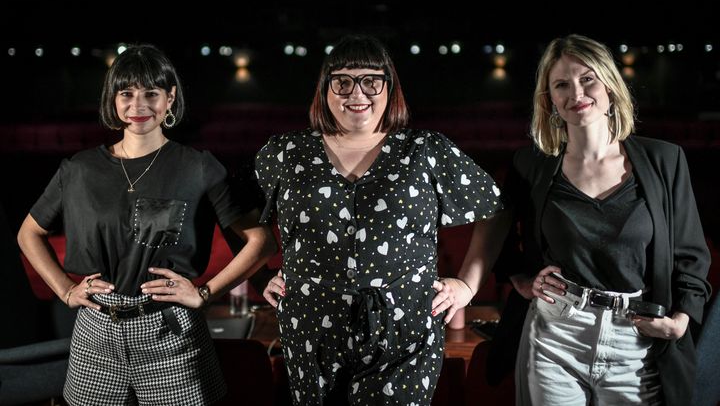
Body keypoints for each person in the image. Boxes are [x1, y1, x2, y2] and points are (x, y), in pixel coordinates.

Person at [16, 44, 277, 405]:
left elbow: (260, 241)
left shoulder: (197, 167)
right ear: (113, 99)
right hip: (96, 332)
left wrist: (204, 293)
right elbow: (28, 232)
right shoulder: (78, 169)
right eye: (127, 94)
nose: (138, 106)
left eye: (151, 93)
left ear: (170, 98)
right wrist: (65, 290)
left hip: (170, 332)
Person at [256, 34, 505, 405]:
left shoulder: (426, 150)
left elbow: (494, 210)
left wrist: (468, 286)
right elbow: (240, 217)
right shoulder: (285, 153)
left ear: (390, 88)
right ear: (325, 90)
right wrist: (266, 274)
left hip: (404, 329)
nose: (357, 93)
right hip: (310, 328)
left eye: (371, 81)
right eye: (342, 81)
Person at [491, 34, 711, 405]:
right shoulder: (530, 166)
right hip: (556, 333)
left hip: (636, 337)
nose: (576, 92)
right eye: (561, 84)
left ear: (610, 84)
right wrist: (524, 280)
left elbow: (691, 254)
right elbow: (497, 241)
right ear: (550, 101)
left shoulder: (664, 160)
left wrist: (682, 320)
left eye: (587, 79)